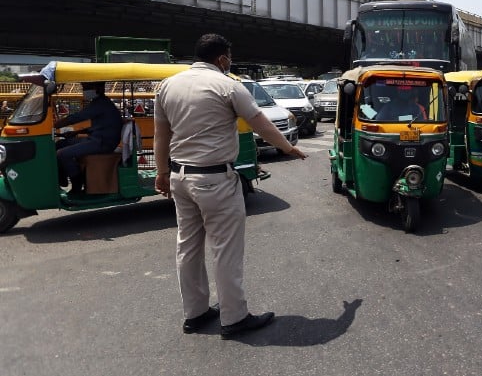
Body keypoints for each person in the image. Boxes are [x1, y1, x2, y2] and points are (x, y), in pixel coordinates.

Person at [154, 34, 308, 339]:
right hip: (214, 180)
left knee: (188, 247)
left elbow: (161, 135)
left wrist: (161, 173)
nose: (231, 61)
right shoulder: (227, 85)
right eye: (230, 56)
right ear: (222, 58)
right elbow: (260, 123)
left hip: (180, 178)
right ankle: (234, 318)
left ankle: (195, 313)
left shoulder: (167, 85)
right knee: (225, 250)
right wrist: (288, 148)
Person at [53, 81, 123, 194]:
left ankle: (77, 183)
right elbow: (99, 126)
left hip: (102, 143)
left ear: (98, 88)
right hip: (96, 139)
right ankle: (62, 177)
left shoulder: (101, 104)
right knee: (59, 144)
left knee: (62, 154)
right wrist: (76, 132)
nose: (84, 90)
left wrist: (54, 125)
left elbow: (77, 117)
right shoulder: (98, 102)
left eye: (86, 87)